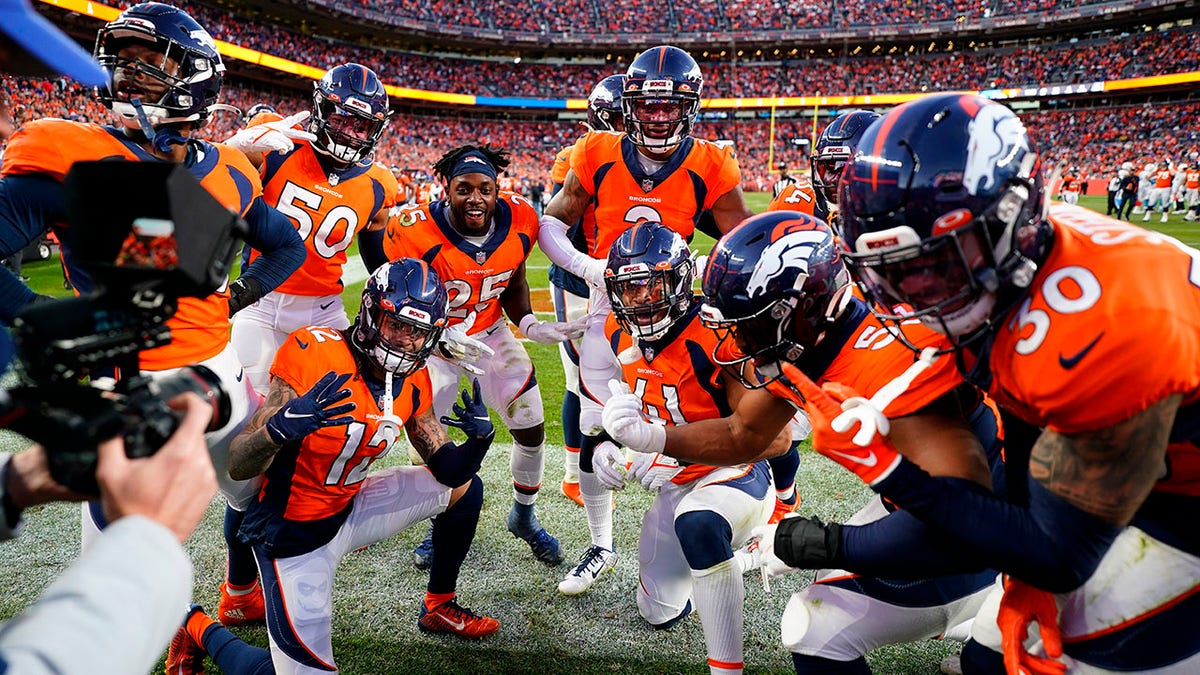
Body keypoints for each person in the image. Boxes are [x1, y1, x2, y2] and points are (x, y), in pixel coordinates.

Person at [832, 93, 1200, 673]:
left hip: (1178, 482)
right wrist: (1025, 572)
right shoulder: (1025, 268)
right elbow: (1028, 406)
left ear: (1013, 220)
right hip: (1154, 457)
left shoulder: (1101, 332)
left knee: (1077, 653)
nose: (917, 291)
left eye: (940, 261)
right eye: (895, 271)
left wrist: (888, 470)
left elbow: (1060, 558)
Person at [0, 1, 305, 629]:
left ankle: (241, 595)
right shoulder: (74, 153)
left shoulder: (227, 169)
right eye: (122, 62)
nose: (129, 75)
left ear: (196, 77)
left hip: (220, 372)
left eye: (151, 64)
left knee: (264, 496)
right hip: (135, 384)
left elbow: (287, 243)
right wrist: (39, 311)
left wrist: (241, 294)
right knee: (118, 582)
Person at [603, 210, 1007, 674]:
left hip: (1000, 531)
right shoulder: (808, 340)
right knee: (831, 581)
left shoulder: (889, 379)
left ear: (794, 311)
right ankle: (989, 642)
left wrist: (818, 542)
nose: (732, 342)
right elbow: (744, 433)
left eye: (745, 324)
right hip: (946, 504)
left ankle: (994, 619)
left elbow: (957, 519)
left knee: (811, 627)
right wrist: (653, 437)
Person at [167, 258, 501, 675]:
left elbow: (450, 470)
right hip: (294, 532)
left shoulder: (413, 379)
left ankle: (438, 604)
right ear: (369, 313)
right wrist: (279, 430)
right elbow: (238, 462)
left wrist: (478, 444)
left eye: (418, 332)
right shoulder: (315, 350)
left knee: (466, 489)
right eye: (395, 323)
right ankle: (196, 627)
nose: (404, 341)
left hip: (352, 505)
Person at [539, 45, 753, 595]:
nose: (658, 116)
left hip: (676, 308)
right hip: (609, 309)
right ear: (629, 105)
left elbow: (742, 238)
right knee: (594, 422)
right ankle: (601, 544)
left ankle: (740, 509)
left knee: (697, 405)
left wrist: (705, 268)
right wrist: (587, 267)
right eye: (647, 106)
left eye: (669, 105)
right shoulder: (596, 150)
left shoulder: (711, 162)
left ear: (691, 106)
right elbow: (552, 225)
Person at [594, 222, 786, 675]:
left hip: (738, 474)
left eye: (650, 285)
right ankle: (739, 560)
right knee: (659, 611)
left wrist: (665, 447)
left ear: (680, 280)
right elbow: (627, 400)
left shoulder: (719, 332)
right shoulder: (618, 331)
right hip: (676, 479)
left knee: (698, 524)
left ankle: (727, 668)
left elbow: (773, 439)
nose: (639, 299)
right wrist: (609, 444)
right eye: (628, 288)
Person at [382, 144, 583, 567]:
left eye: (485, 189)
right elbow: (397, 291)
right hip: (431, 345)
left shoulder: (521, 219)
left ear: (498, 189)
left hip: (489, 334)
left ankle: (524, 518)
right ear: (446, 190)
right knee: (428, 440)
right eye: (464, 189)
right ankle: (438, 525)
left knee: (530, 423)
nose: (476, 198)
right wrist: (436, 334)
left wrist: (527, 323)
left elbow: (512, 280)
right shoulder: (413, 228)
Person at [228, 62, 399, 396]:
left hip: (322, 311)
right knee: (249, 411)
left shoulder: (380, 183)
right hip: (259, 300)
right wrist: (238, 147)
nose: (350, 132)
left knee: (338, 410)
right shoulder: (277, 142)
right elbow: (213, 180)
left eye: (362, 126)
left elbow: (380, 264)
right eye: (341, 119)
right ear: (321, 110)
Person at [549, 73, 626, 507]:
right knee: (580, 380)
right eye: (618, 117)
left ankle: (618, 451)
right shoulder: (578, 156)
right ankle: (573, 474)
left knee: (624, 372)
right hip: (581, 279)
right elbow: (563, 225)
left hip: (629, 286)